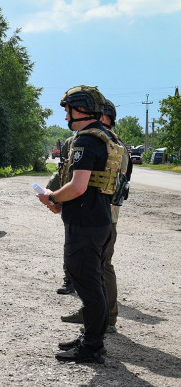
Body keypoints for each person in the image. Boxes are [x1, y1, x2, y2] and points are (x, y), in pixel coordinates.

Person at [38, 85, 117, 364]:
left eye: (67, 110)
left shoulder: (86, 140)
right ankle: (91, 339)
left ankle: (92, 347)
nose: (65, 117)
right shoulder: (107, 137)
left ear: (80, 109)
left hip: (85, 224)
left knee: (89, 286)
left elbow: (78, 185)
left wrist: (52, 197)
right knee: (93, 283)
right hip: (100, 221)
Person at [58, 99, 132, 334]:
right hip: (89, 212)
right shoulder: (92, 139)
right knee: (89, 270)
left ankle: (106, 319)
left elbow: (121, 183)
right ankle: (92, 315)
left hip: (103, 215)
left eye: (104, 118)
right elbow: (67, 173)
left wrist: (55, 198)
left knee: (101, 267)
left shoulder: (110, 144)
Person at [47, 135, 76, 296]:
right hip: (70, 201)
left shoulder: (107, 140)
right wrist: (53, 194)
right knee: (70, 244)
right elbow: (63, 171)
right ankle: (69, 280)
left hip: (95, 204)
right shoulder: (70, 142)